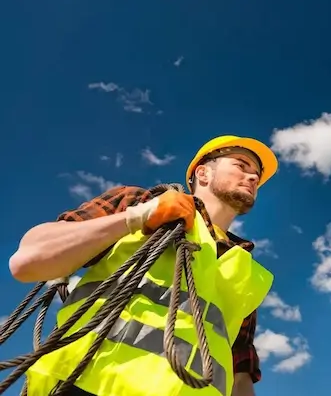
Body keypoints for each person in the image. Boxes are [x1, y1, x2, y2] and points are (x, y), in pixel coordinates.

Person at [9, 135, 279, 396]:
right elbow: (29, 260)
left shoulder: (246, 270)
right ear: (203, 174)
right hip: (84, 386)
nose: (253, 177)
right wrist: (138, 217)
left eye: (256, 173)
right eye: (241, 166)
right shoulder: (141, 204)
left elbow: (239, 374)